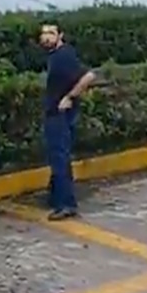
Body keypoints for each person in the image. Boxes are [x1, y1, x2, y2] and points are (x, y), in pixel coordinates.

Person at [39, 23, 95, 220]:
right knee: (57, 158)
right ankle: (55, 197)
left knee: (60, 159)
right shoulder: (55, 55)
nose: (46, 37)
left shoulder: (64, 55)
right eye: (44, 34)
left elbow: (88, 76)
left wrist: (70, 97)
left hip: (59, 116)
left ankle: (66, 204)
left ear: (60, 35)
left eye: (51, 33)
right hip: (55, 115)